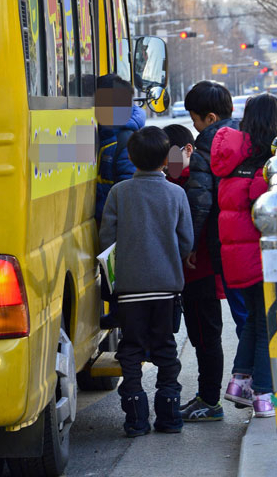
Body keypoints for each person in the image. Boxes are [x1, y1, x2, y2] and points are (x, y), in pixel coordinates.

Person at [99, 126, 194, 436]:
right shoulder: (176, 194)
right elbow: (185, 242)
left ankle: (136, 417)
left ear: (130, 157)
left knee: (131, 351)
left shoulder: (119, 193)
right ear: (167, 159)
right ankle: (169, 416)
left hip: (129, 290)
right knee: (166, 350)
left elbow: (107, 240)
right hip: (167, 288)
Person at [211, 92, 277, 418]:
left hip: (237, 260)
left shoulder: (234, 166)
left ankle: (239, 383)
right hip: (261, 258)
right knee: (268, 327)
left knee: (256, 321)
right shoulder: (263, 171)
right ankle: (262, 395)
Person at [164, 124, 225, 422]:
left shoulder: (193, 183)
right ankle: (206, 397)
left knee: (206, 338)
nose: (166, 165)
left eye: (170, 158)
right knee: (202, 337)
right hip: (190, 276)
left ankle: (211, 401)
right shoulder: (176, 181)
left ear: (188, 150)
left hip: (200, 274)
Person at [184, 81, 248, 337]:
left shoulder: (205, 151)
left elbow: (200, 204)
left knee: (242, 314)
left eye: (195, 120)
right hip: (257, 242)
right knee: (257, 314)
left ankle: (254, 373)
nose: (195, 127)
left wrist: (191, 245)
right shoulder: (250, 139)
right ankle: (264, 372)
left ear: (210, 118)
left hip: (226, 245)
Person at [95, 73, 145, 328]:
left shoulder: (123, 138)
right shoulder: (108, 133)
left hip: (118, 220)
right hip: (107, 215)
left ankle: (130, 331)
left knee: (120, 275)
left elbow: (126, 182)